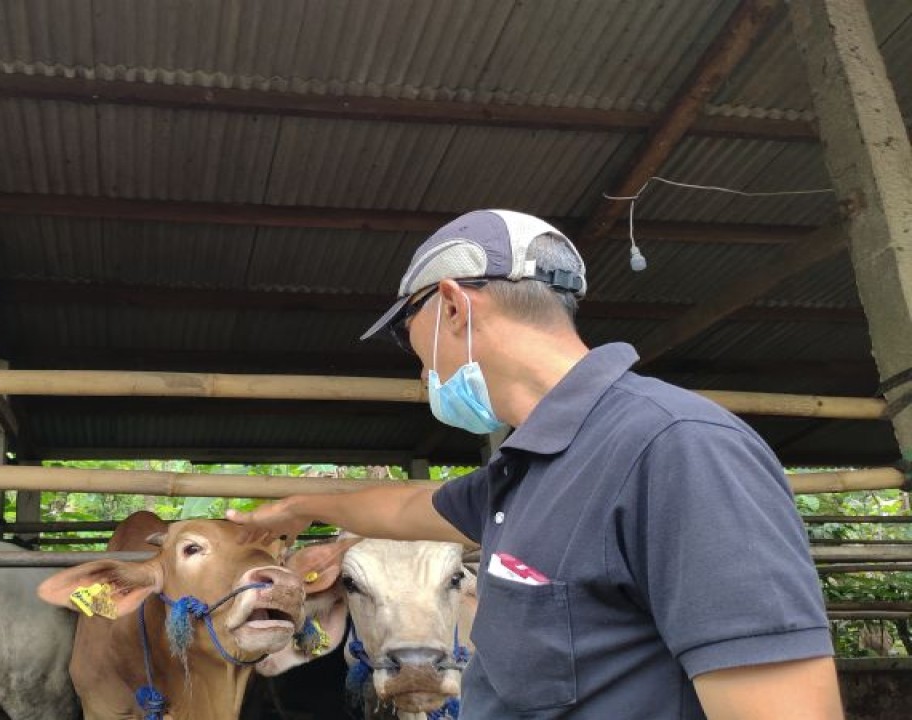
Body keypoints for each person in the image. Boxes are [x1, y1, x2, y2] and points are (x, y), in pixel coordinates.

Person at [227, 209, 844, 719]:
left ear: (451, 306)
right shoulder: (528, 467)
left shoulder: (676, 447)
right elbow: (408, 507)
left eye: (407, 335)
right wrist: (295, 508)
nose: (420, 371)